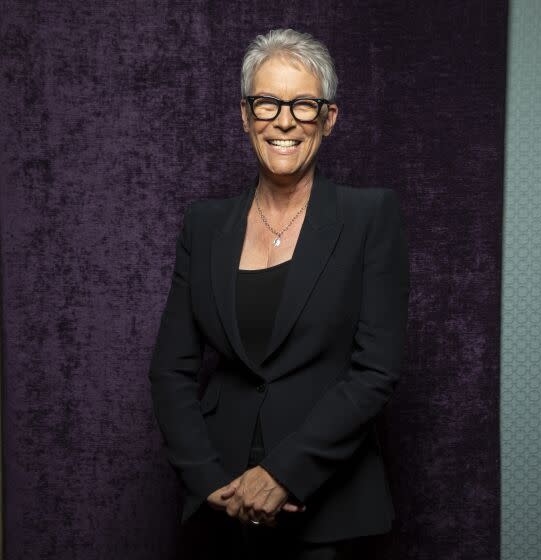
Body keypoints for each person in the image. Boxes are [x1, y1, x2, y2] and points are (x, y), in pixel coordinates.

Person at [148, 28, 409, 559]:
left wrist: (283, 474)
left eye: (303, 105)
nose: (284, 120)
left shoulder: (369, 217)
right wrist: (206, 478)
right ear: (246, 115)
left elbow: (376, 371)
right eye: (267, 103)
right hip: (223, 504)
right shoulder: (204, 225)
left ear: (329, 118)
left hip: (328, 509)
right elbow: (170, 368)